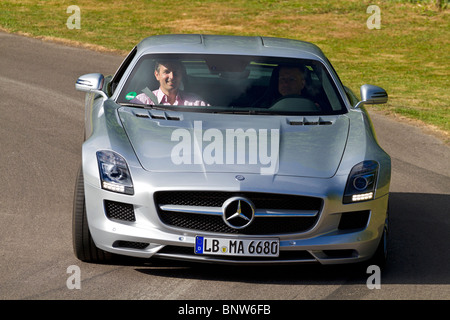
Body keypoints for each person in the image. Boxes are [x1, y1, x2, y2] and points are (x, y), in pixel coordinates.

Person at [133, 60, 208, 106]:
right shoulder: (141, 102)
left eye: (176, 72)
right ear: (157, 75)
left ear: (181, 75)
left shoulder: (195, 103)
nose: (172, 76)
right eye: (167, 72)